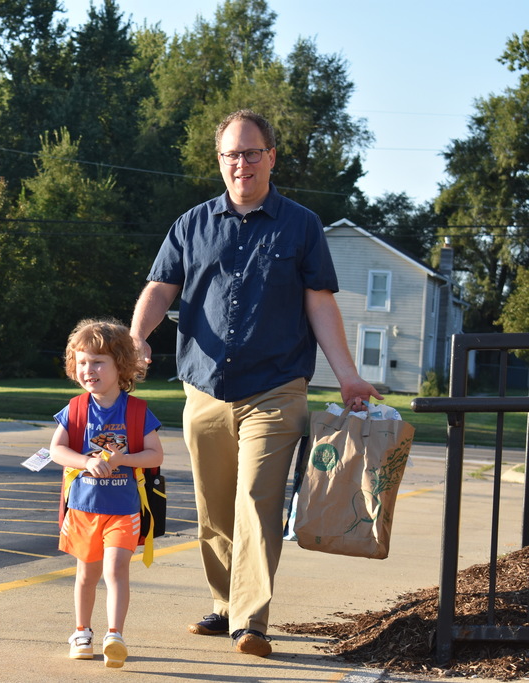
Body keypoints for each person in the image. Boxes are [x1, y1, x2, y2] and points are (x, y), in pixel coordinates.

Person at [129, 109, 382, 658]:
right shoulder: (190, 225)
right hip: (204, 389)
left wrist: (346, 376)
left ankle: (251, 620)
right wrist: (137, 336)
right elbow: (160, 287)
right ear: (218, 160)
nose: (240, 163)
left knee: (256, 501)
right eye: (230, 154)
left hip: (276, 389)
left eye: (250, 152)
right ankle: (224, 604)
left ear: (271, 157)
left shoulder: (301, 225)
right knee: (215, 508)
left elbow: (319, 301)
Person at [49, 318, 164, 668]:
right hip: (83, 509)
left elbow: (155, 454)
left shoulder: (137, 411)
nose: (89, 369)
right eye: (82, 362)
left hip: (124, 509)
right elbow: (56, 450)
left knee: (116, 570)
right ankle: (82, 632)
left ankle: (115, 635)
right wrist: (85, 462)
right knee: (87, 574)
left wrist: (124, 459)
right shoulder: (76, 409)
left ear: (122, 366)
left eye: (98, 361)